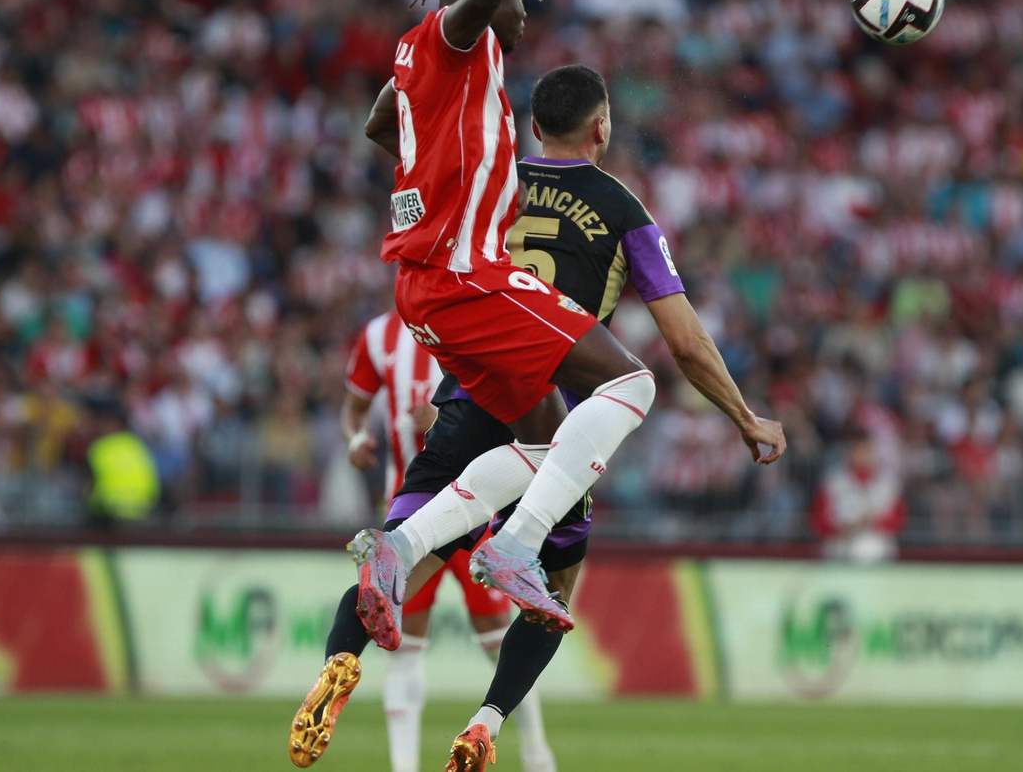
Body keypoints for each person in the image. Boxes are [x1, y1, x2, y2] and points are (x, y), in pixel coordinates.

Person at [351, 0, 782, 676]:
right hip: (464, 274)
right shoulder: (453, 35)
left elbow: (378, 125)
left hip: (432, 281)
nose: (522, 9)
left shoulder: (415, 63)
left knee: (552, 448)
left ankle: (400, 551)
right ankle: (514, 548)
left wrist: (426, 174)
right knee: (632, 380)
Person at [292, 64, 786, 771]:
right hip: (565, 426)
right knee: (551, 593)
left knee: (407, 553)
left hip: (469, 395)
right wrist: (744, 416)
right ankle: (488, 723)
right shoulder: (622, 208)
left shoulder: (488, 179)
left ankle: (337, 662)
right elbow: (684, 339)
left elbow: (392, 142)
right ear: (602, 126)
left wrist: (417, 70)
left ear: (531, 127)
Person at [338, 310, 555, 772]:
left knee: (493, 637)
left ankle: (537, 751)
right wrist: (356, 438)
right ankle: (412, 764)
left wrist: (443, 417)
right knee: (405, 643)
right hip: (423, 508)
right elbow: (353, 407)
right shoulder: (378, 335)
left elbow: (494, 402)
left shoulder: (468, 315)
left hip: (470, 507)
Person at [812, 427, 904, 563]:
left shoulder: (887, 481)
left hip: (877, 547)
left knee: (868, 548)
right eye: (858, 450)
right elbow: (819, 520)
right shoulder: (833, 481)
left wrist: (870, 522)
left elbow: (898, 519)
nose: (862, 455)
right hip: (839, 545)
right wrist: (845, 527)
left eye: (866, 450)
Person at [84, 397, 159, 525]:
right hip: (143, 510)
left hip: (110, 513)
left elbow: (90, 485)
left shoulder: (99, 448)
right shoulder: (137, 445)